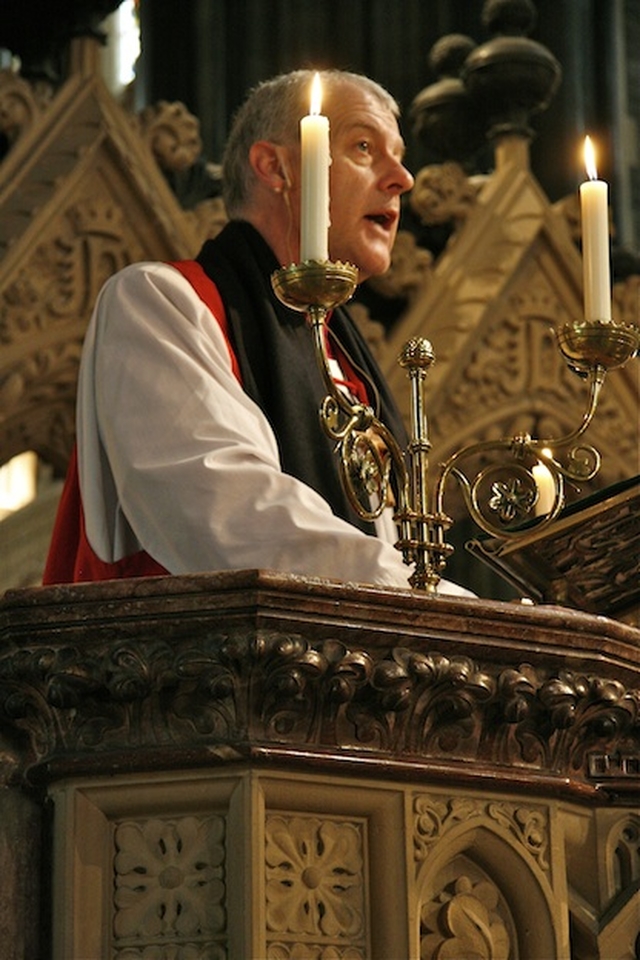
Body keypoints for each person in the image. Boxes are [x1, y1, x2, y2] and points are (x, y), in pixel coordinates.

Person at [43, 68, 471, 596]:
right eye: (364, 146)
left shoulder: (345, 360)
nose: (402, 178)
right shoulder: (159, 302)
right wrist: (434, 600)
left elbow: (384, 539)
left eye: (400, 155)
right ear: (276, 167)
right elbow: (228, 513)